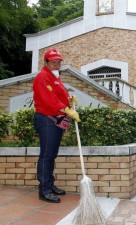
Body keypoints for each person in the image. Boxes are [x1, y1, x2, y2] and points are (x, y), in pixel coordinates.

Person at [32, 48, 80, 203]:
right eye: (53, 62)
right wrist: (66, 109)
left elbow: (59, 94)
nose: (57, 64)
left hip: (55, 119)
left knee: (51, 154)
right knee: (46, 155)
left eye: (59, 61)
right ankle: (44, 190)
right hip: (46, 119)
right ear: (46, 62)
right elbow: (48, 99)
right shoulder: (42, 77)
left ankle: (50, 185)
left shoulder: (55, 77)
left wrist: (69, 99)